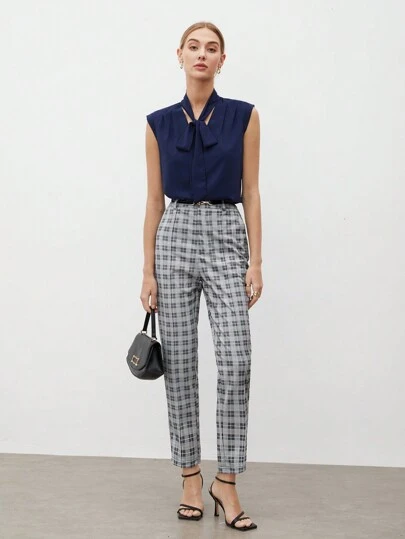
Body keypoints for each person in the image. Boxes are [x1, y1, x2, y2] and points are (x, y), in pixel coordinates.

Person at [140, 21, 263, 532]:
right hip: (174, 235)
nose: (202, 55)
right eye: (194, 47)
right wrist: (147, 269)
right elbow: (154, 200)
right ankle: (191, 478)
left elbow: (251, 192)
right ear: (180, 55)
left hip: (227, 233)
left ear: (222, 60)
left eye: (211, 48)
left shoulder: (244, 117)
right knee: (181, 363)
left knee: (236, 359)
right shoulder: (158, 124)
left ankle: (226, 482)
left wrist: (256, 261)